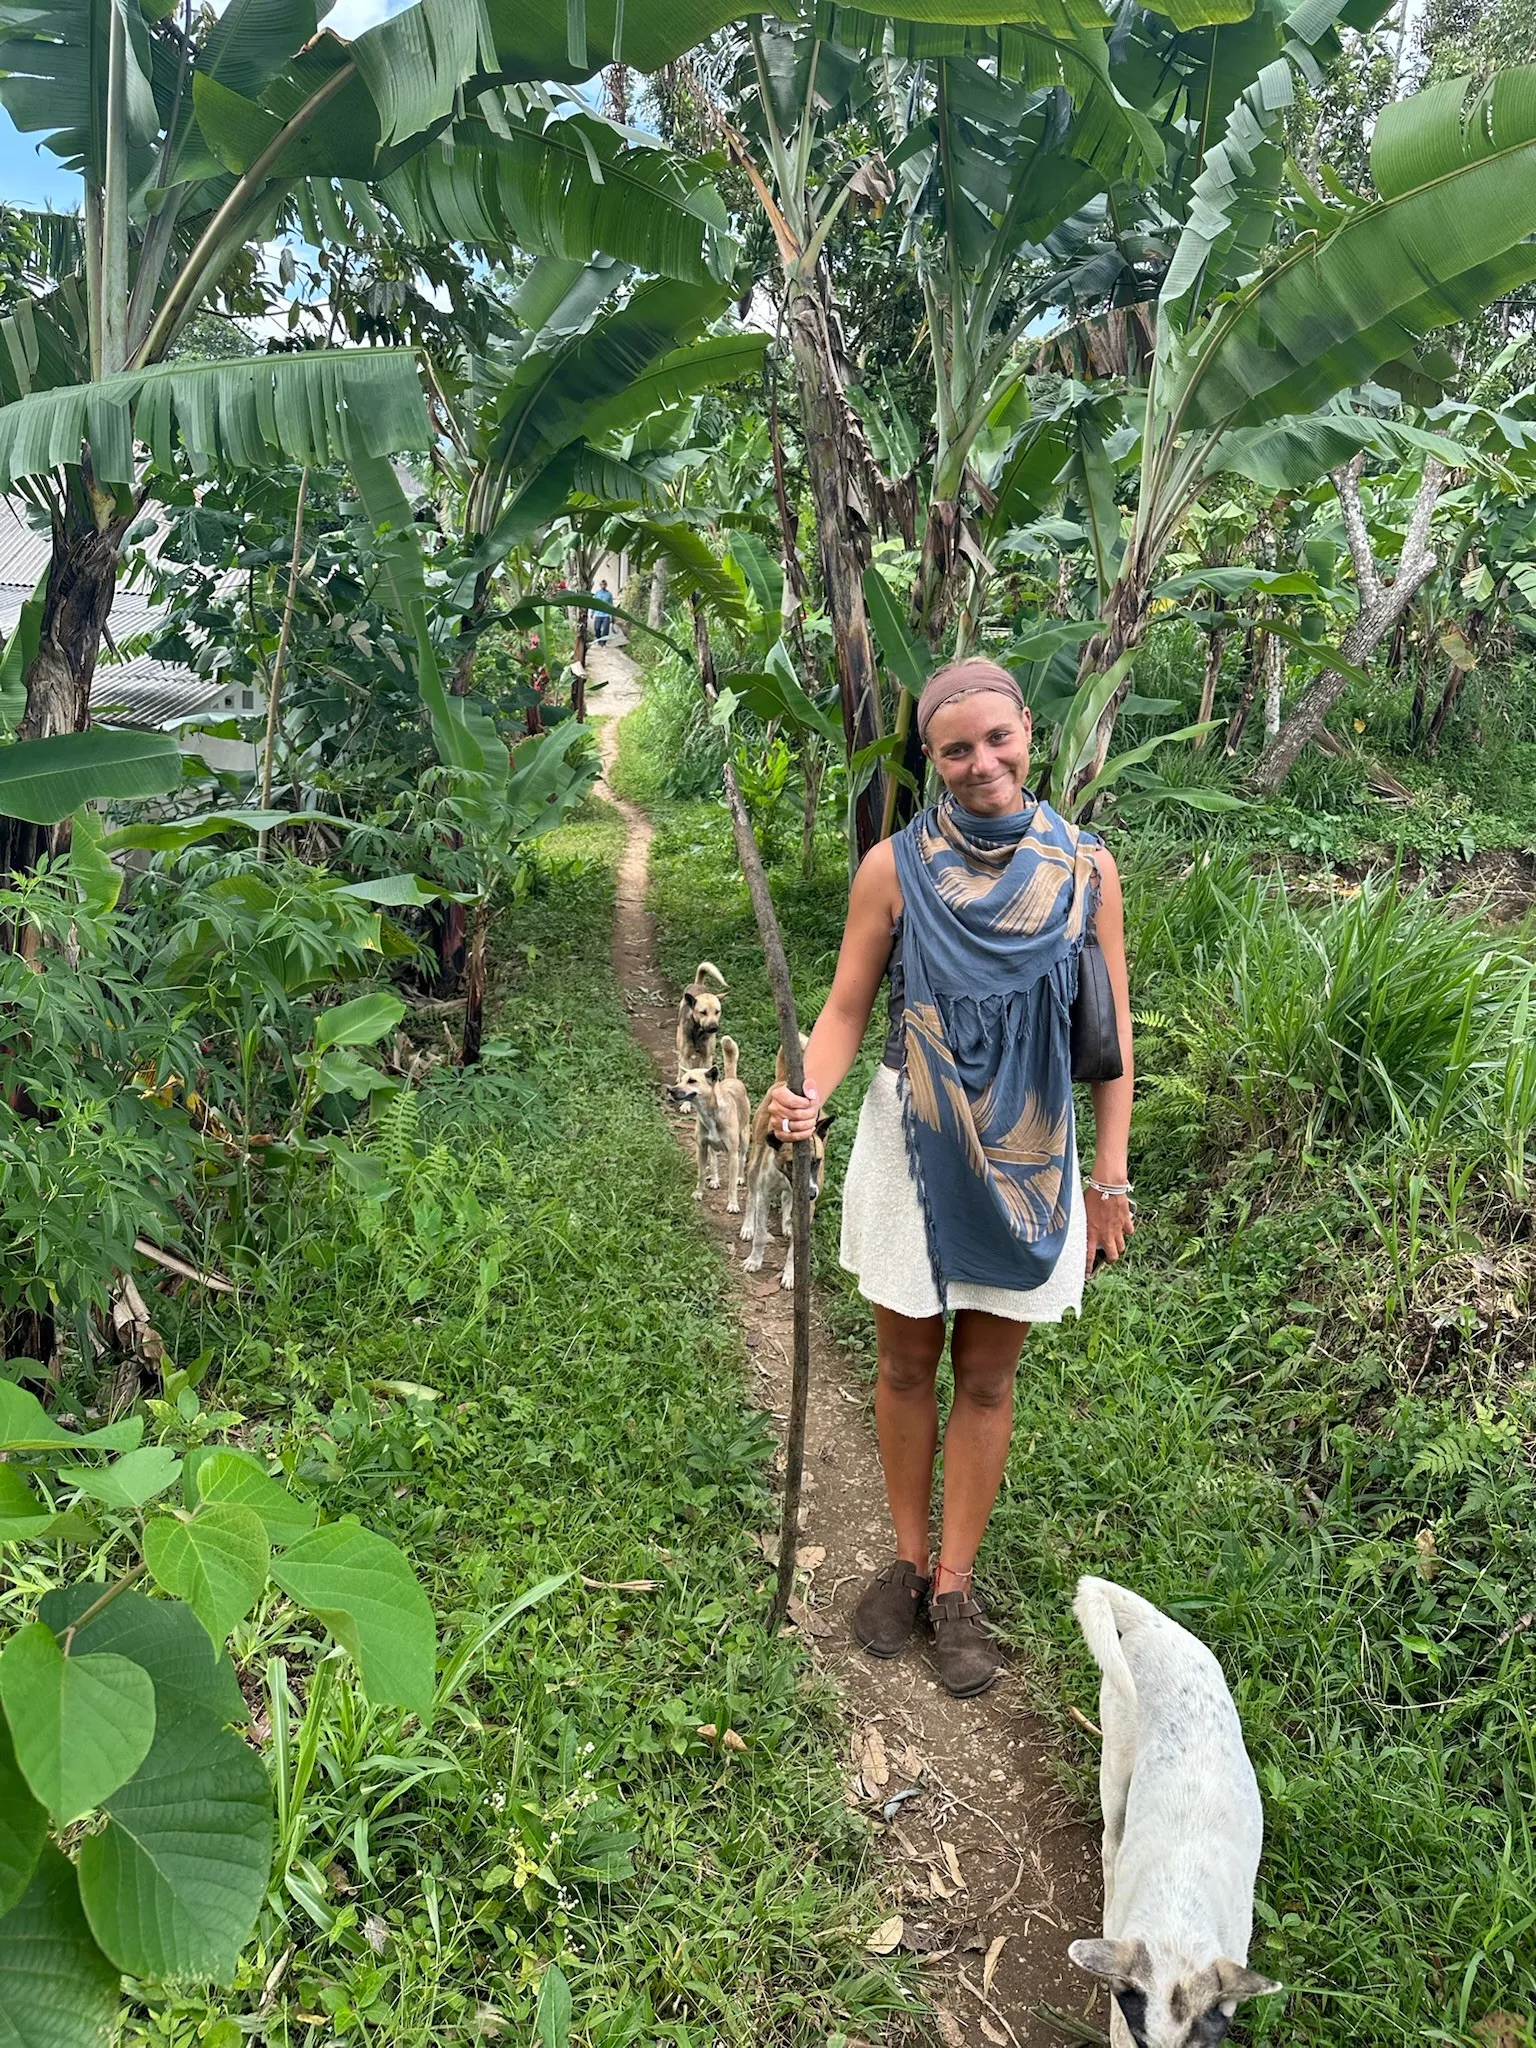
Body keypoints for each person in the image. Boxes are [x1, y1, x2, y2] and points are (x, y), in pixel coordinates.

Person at [766, 657, 1134, 1696]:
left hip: (1030, 1154)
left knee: (985, 1374)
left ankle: (957, 1583)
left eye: (998, 739)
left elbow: (1111, 1035)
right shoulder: (894, 867)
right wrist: (807, 1092)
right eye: (957, 748)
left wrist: (1110, 1176)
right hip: (911, 1140)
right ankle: (905, 1558)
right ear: (930, 758)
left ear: (1029, 734)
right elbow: (844, 1008)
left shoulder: (1089, 871)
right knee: (899, 1365)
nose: (983, 764)